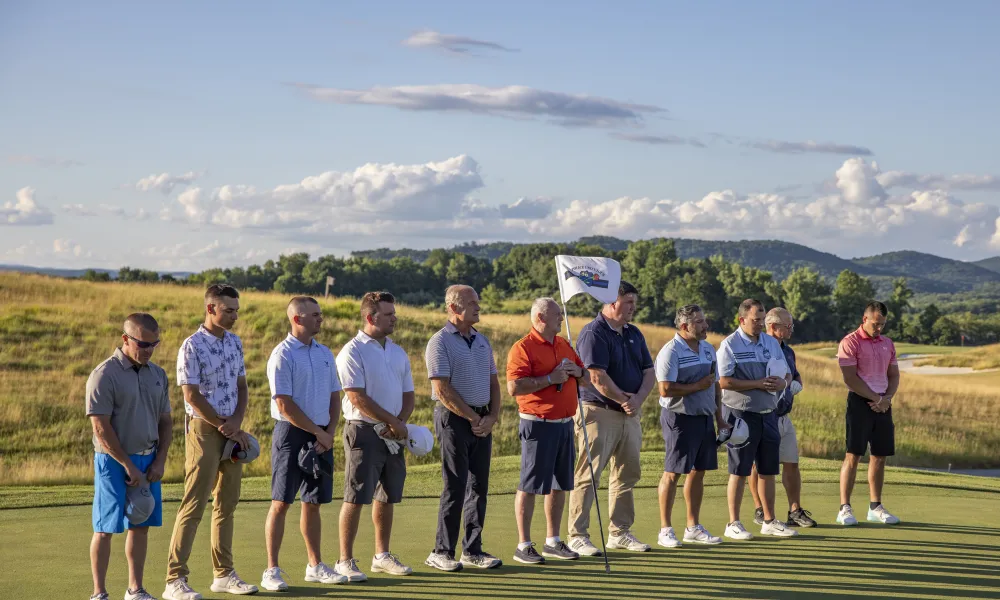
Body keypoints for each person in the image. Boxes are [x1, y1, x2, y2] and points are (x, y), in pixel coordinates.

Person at [164, 284, 257, 600]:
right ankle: (174, 579)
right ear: (210, 309)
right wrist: (223, 424)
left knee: (226, 504)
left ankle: (224, 574)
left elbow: (242, 387)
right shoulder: (191, 346)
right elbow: (190, 395)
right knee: (194, 503)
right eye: (228, 310)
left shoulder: (235, 343)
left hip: (232, 430)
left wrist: (236, 424)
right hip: (204, 431)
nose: (234, 316)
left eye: (236, 310)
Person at [261, 296, 348, 591]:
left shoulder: (325, 352)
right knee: (281, 502)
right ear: (297, 319)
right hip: (292, 434)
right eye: (315, 314)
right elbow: (284, 404)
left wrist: (329, 431)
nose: (320, 319)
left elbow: (336, 395)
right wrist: (318, 432)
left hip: (322, 434)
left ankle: (315, 565)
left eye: (320, 314)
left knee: (313, 502)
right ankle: (271, 570)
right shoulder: (282, 355)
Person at [87, 313, 172, 600]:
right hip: (112, 462)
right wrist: (126, 464)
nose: (149, 350)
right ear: (126, 339)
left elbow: (166, 422)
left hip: (148, 460)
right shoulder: (104, 374)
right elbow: (100, 427)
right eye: (143, 344)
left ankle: (135, 589)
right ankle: (99, 593)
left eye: (154, 344)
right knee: (105, 528)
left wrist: (160, 459)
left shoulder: (158, 374)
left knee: (141, 525)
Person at [567, 281, 656, 556]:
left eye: (634, 302)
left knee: (626, 474)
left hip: (629, 414)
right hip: (598, 412)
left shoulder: (634, 333)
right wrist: (624, 399)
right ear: (612, 303)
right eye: (628, 302)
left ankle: (619, 532)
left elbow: (649, 372)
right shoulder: (594, 333)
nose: (633, 308)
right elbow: (596, 377)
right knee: (589, 475)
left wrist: (637, 400)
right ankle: (577, 535)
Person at [335, 291, 415, 581]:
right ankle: (345, 560)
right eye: (389, 314)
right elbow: (357, 397)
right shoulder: (352, 351)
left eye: (394, 312)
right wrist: (393, 422)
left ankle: (381, 555)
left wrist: (400, 423)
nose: (395, 317)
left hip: (393, 432)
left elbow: (408, 394)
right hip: (364, 431)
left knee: (387, 495)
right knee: (356, 496)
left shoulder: (397, 350)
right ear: (371, 317)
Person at [424, 285, 503, 572]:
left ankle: (472, 550)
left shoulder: (481, 341)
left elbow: (494, 382)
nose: (478, 307)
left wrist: (492, 416)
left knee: (478, 487)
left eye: (477, 302)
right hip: (454, 420)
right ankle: (441, 551)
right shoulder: (440, 342)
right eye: (472, 303)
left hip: (482, 420)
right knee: (455, 486)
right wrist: (473, 418)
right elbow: (442, 389)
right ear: (454, 308)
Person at [507, 298, 589, 564]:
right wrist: (549, 379)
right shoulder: (523, 348)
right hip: (537, 424)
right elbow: (515, 386)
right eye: (556, 315)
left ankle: (552, 541)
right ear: (540, 318)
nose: (561, 319)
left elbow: (586, 377)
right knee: (530, 485)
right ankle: (524, 545)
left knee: (559, 484)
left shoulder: (564, 344)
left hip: (564, 423)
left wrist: (576, 370)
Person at [717, 299, 797, 540]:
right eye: (756, 320)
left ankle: (769, 521)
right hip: (740, 414)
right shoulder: (729, 345)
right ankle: (733, 523)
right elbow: (723, 381)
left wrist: (782, 383)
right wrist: (757, 384)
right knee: (739, 470)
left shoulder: (771, 343)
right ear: (742, 320)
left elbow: (786, 373)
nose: (761, 324)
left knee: (767, 470)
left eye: (762, 320)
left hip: (768, 413)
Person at [654, 305, 728, 549]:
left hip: (705, 418)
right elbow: (665, 389)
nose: (705, 325)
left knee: (699, 471)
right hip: (679, 418)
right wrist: (696, 386)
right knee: (673, 473)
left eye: (704, 320)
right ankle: (665, 529)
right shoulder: (670, 352)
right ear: (685, 326)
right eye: (699, 322)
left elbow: (714, 386)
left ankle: (693, 527)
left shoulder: (708, 349)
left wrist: (720, 419)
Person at [749, 308, 817, 528]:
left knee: (792, 464)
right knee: (758, 466)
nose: (791, 330)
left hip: (784, 416)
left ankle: (795, 511)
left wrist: (796, 382)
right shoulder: (760, 349)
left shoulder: (788, 351)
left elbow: (794, 373)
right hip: (763, 415)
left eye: (791, 326)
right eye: (787, 326)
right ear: (772, 326)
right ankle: (760, 510)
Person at [835, 301, 901, 526]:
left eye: (882, 324)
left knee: (880, 456)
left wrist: (887, 399)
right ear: (865, 319)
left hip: (883, 404)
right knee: (853, 454)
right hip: (860, 403)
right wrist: (877, 399)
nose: (879, 328)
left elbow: (894, 375)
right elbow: (850, 378)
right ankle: (844, 507)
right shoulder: (850, 342)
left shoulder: (887, 343)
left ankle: (875, 507)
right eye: (876, 324)